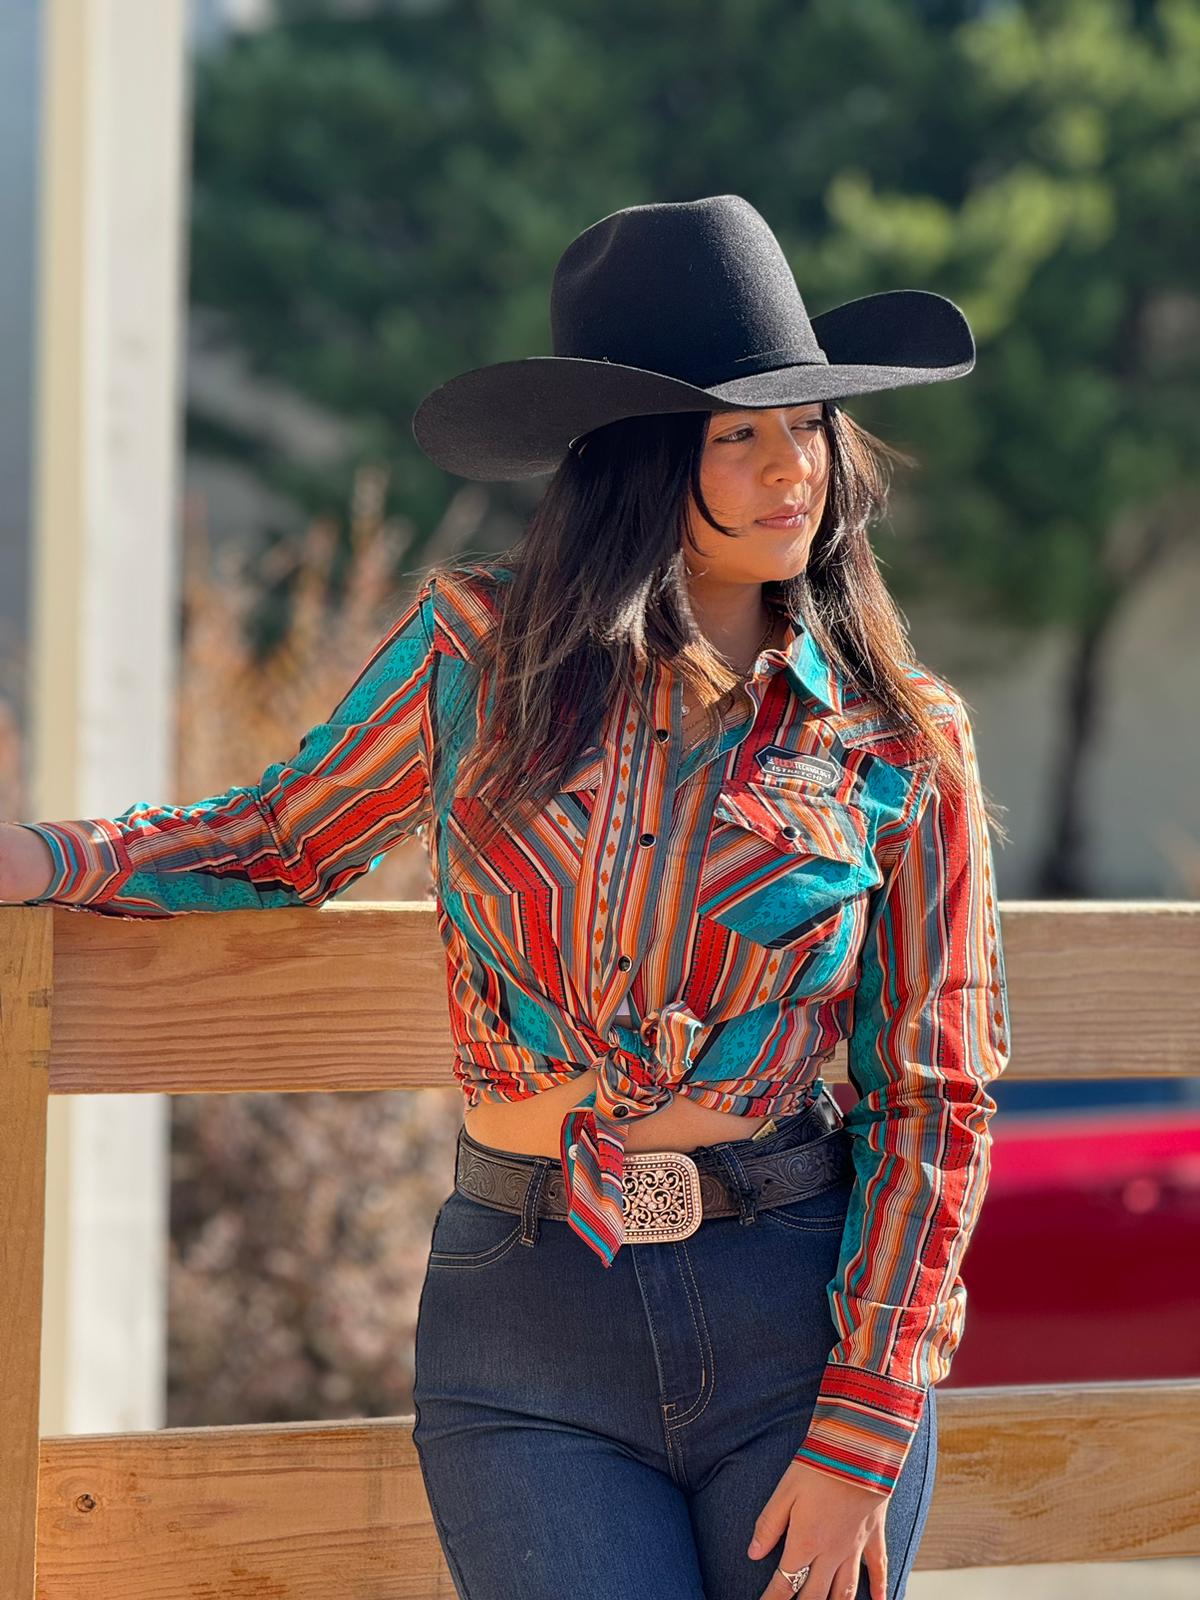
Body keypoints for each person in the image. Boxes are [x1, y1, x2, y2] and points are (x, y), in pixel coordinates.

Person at [1, 194, 1010, 1600]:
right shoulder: (477, 654)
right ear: (643, 461)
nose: (799, 469)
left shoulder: (899, 735)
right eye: (743, 433)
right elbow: (284, 835)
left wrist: (870, 1420)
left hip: (796, 1313)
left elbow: (936, 1094)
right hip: (524, 1315)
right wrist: (49, 858)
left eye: (813, 426)